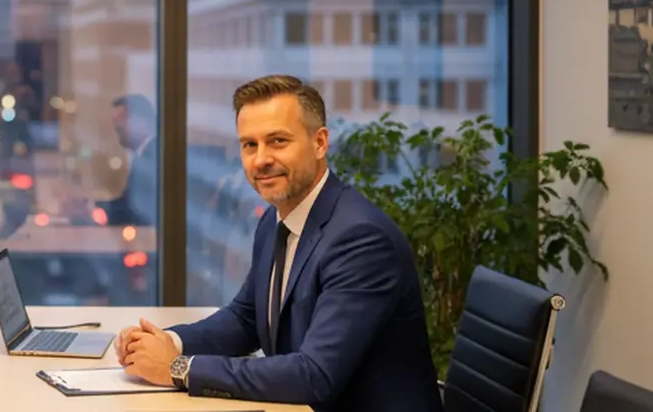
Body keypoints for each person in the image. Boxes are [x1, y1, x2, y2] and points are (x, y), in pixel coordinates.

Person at [115, 75, 442, 412]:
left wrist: (177, 368)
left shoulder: (360, 239)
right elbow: (244, 319)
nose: (261, 159)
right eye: (249, 145)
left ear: (320, 142)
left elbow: (314, 375)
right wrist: (164, 342)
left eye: (278, 141)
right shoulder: (275, 220)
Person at [97, 94, 158, 226]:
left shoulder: (155, 157)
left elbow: (135, 211)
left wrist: (94, 211)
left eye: (120, 125)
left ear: (142, 121)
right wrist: (93, 206)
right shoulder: (142, 156)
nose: (116, 131)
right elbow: (126, 203)